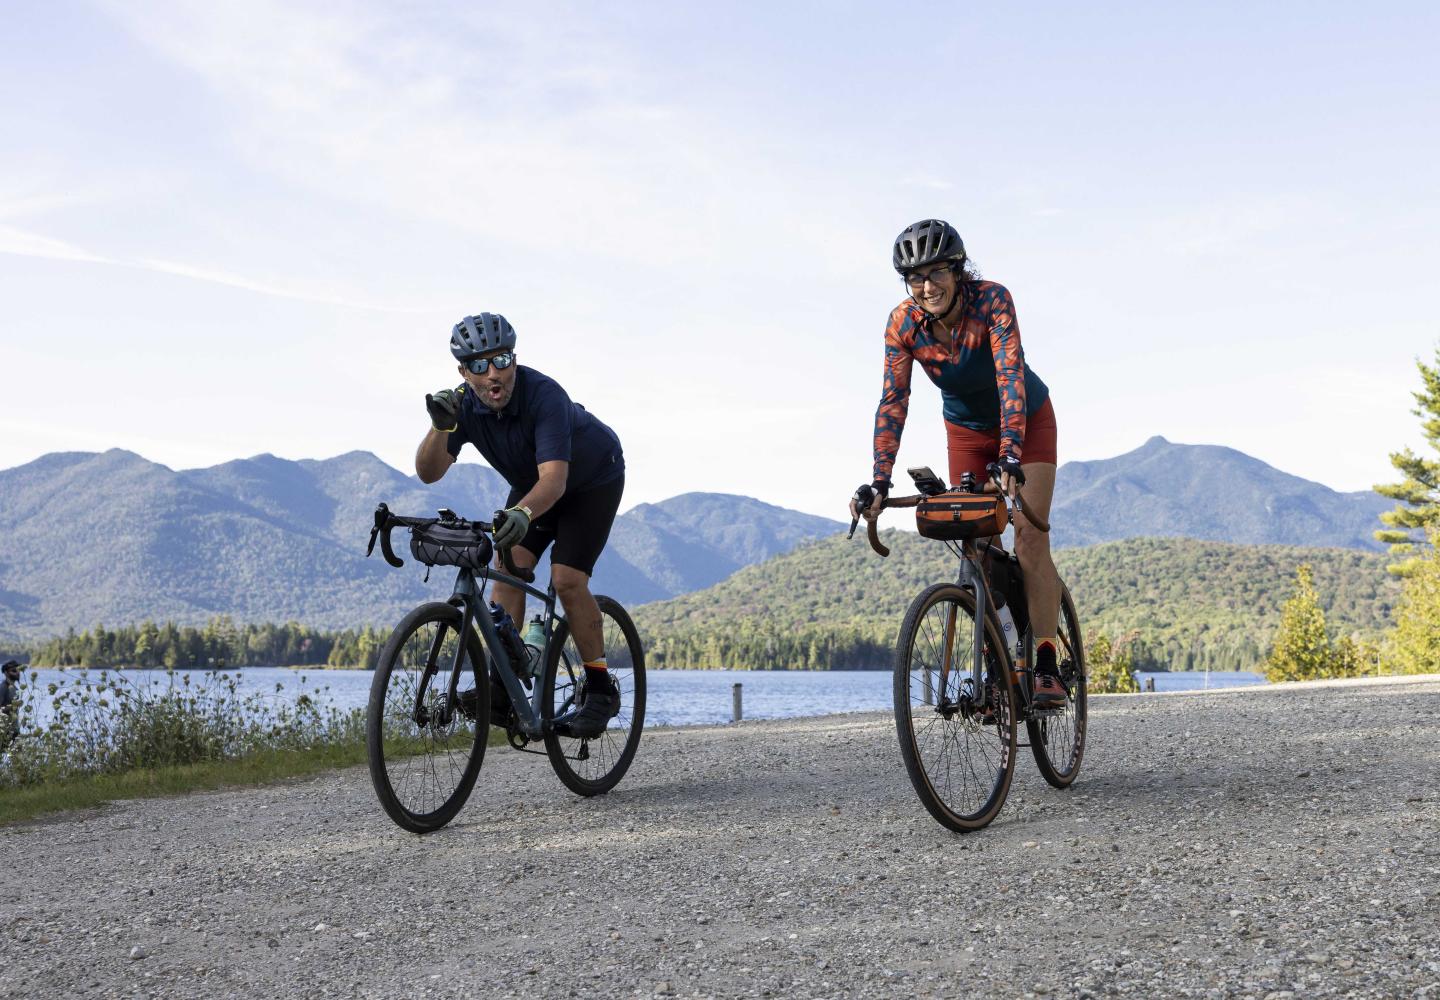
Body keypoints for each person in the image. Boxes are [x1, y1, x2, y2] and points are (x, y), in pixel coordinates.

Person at [851, 219, 1066, 707]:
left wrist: (1011, 452)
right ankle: (1000, 656)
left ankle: (1048, 663)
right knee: (975, 546)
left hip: (1026, 421)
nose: (927, 287)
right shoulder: (903, 323)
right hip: (966, 432)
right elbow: (893, 401)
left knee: (1030, 537)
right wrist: (879, 479)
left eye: (937, 273)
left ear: (958, 269)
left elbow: (1010, 375)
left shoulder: (991, 300)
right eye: (915, 278)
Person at [415, 312, 626, 738]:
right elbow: (428, 472)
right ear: (463, 372)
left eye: (501, 360)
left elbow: (555, 480)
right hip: (534, 485)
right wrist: (441, 428)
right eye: (478, 365)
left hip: (591, 479)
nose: (493, 374)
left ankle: (601, 688)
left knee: (567, 579)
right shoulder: (461, 405)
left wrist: (524, 514)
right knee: (506, 572)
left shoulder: (543, 395)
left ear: (515, 358)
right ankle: (504, 687)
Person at [0, 659, 21, 742]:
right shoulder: (3, 688)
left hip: (14, 731)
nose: (17, 672)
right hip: (4, 731)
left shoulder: (15, 689)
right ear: (6, 673)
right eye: (14, 670)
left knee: (19, 754)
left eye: (19, 670)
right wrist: (12, 706)